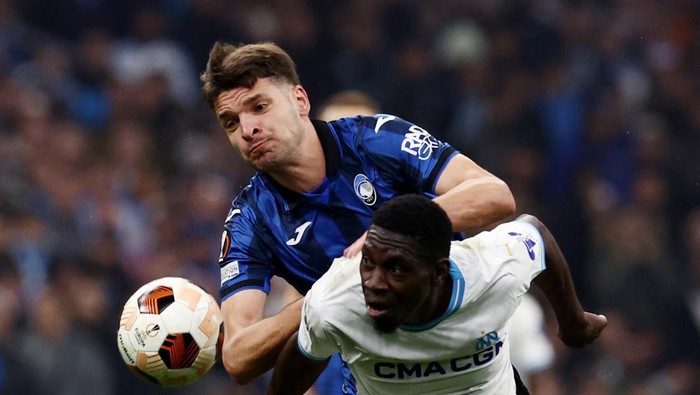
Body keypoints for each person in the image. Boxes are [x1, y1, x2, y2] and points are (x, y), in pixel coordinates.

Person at [199, 41, 516, 391]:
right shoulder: (249, 220)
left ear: (300, 100)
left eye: (259, 106)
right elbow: (239, 356)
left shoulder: (376, 139)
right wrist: (329, 293)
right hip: (380, 382)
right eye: (231, 123)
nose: (247, 130)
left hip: (471, 361)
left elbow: (494, 194)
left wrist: (400, 230)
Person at [267, 194, 608, 394]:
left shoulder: (491, 271)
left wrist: (573, 321)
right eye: (368, 262)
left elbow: (535, 232)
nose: (373, 282)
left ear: (439, 273)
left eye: (396, 269)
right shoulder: (334, 301)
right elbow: (304, 353)